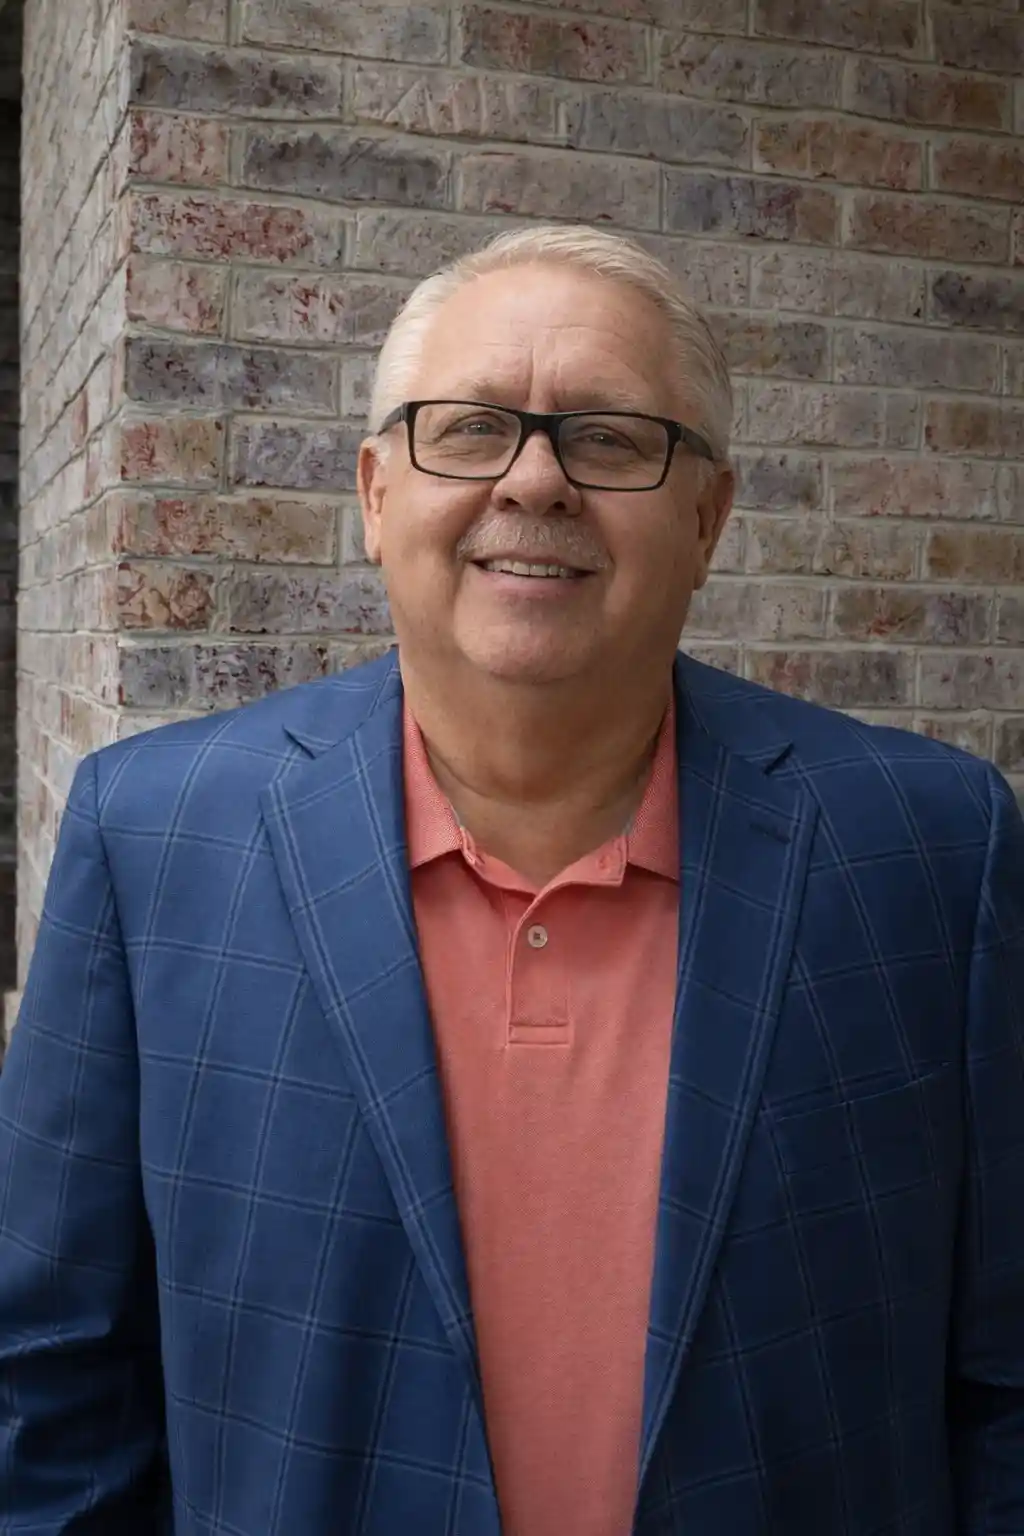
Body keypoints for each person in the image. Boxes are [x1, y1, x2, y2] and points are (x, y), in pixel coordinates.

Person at [0, 223, 1022, 1536]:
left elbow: (1002, 1380)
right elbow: (51, 1387)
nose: (536, 480)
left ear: (708, 517)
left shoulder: (926, 849)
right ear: (376, 496)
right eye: (471, 428)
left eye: (611, 437)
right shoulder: (155, 840)